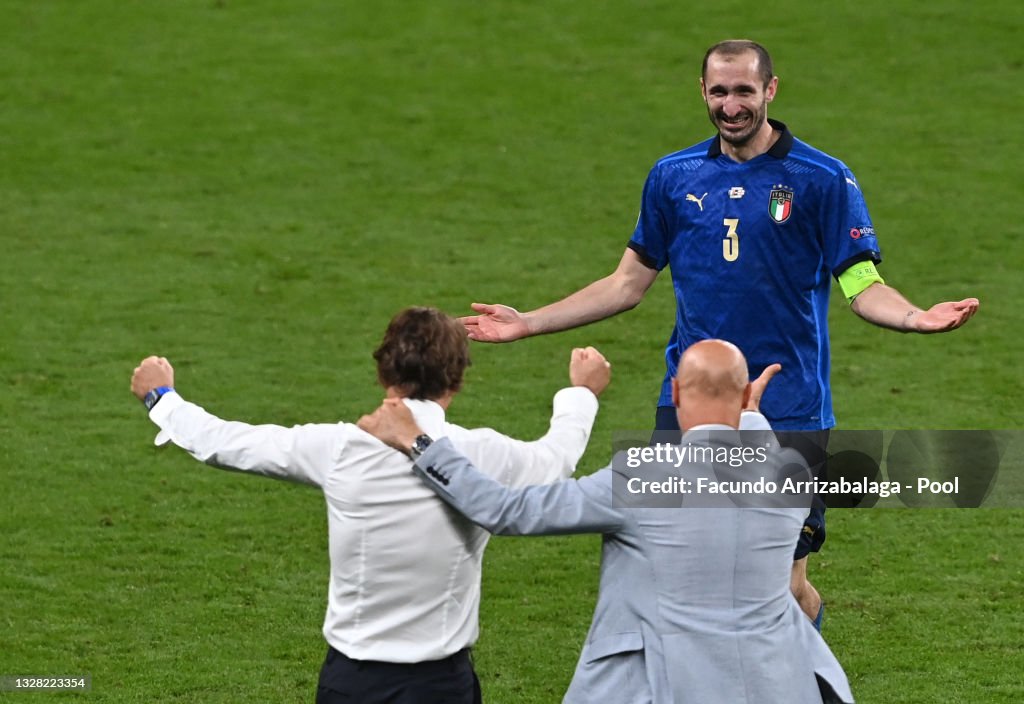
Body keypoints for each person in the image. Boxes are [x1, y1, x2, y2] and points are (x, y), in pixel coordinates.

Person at [457, 39, 979, 624]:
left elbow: (861, 283)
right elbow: (627, 284)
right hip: (687, 406)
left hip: (788, 411)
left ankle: (802, 680)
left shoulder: (821, 179)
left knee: (778, 583)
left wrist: (914, 316)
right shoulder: (673, 178)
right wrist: (527, 322)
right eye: (720, 91)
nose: (732, 105)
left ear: (771, 91)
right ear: (703, 93)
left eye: (745, 91)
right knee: (677, 573)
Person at [129, 306, 611, 704]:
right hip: (442, 688)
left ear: (384, 371)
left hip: (352, 684)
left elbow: (227, 443)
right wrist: (580, 394)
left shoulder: (339, 448)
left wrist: (161, 396)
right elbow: (554, 461)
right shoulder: (483, 454)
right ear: (458, 380)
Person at [359, 340, 854, 704]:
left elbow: (508, 511)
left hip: (661, 688)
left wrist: (421, 444)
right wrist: (749, 416)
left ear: (676, 393)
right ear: (746, 394)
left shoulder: (640, 477)